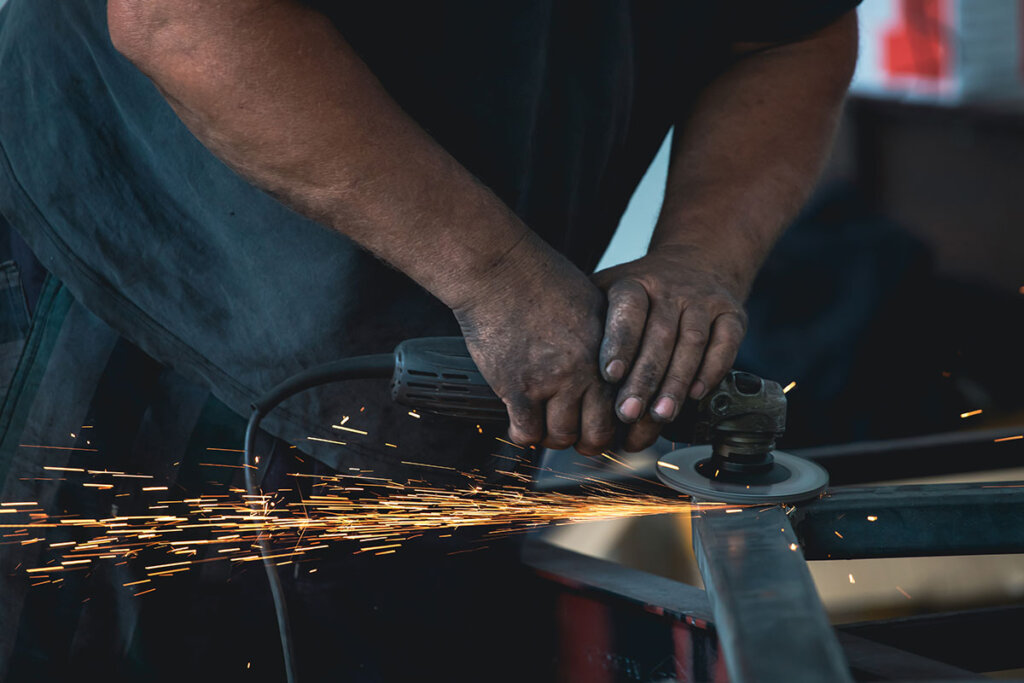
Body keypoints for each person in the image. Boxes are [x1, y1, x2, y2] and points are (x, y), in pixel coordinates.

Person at [0, 0, 858, 680]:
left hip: (456, 343)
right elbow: (184, 17)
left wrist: (699, 259)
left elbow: (792, 33)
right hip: (143, 266)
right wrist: (498, 277)